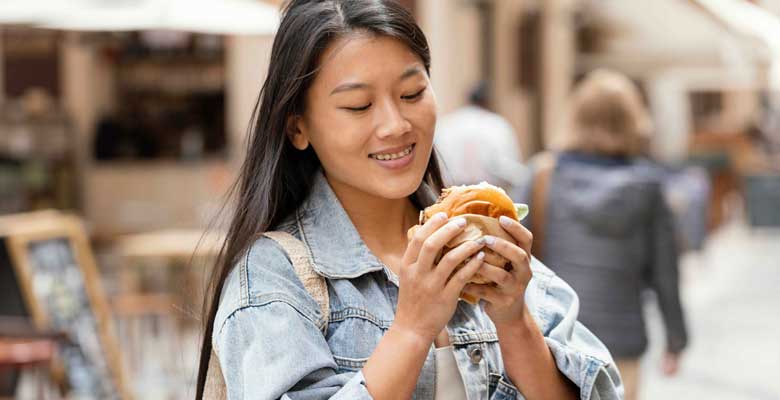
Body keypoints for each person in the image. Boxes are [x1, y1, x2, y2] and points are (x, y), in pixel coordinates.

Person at [195, 1, 621, 399]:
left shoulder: (478, 237)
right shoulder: (273, 278)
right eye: (359, 106)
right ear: (297, 129)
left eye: (412, 94)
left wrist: (514, 323)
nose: (395, 125)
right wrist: (413, 330)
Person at [519, 69, 688, 400]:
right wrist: (676, 339)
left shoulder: (541, 175)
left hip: (554, 338)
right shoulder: (648, 186)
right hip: (622, 342)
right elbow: (666, 272)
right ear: (634, 120)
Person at [434, 81, 524, 190]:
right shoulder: (497, 125)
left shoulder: (447, 124)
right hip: (489, 195)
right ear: (487, 102)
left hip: (453, 193)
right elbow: (508, 168)